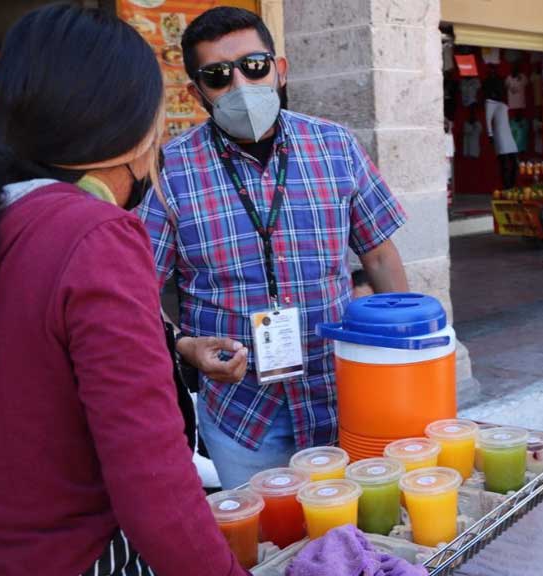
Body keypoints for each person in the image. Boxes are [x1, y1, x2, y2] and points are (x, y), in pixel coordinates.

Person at [0, 6, 247, 575]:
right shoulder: (95, 235)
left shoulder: (12, 216)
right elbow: (154, 487)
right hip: (76, 555)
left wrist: (176, 344)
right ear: (134, 128)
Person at [137, 7, 409, 490]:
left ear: (280, 70)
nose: (241, 84)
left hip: (342, 394)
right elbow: (135, 292)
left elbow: (380, 256)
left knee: (354, 543)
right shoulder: (169, 170)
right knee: (264, 554)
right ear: (196, 94)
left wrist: (403, 360)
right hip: (242, 414)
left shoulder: (335, 146)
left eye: (254, 65)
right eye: (218, 76)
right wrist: (183, 347)